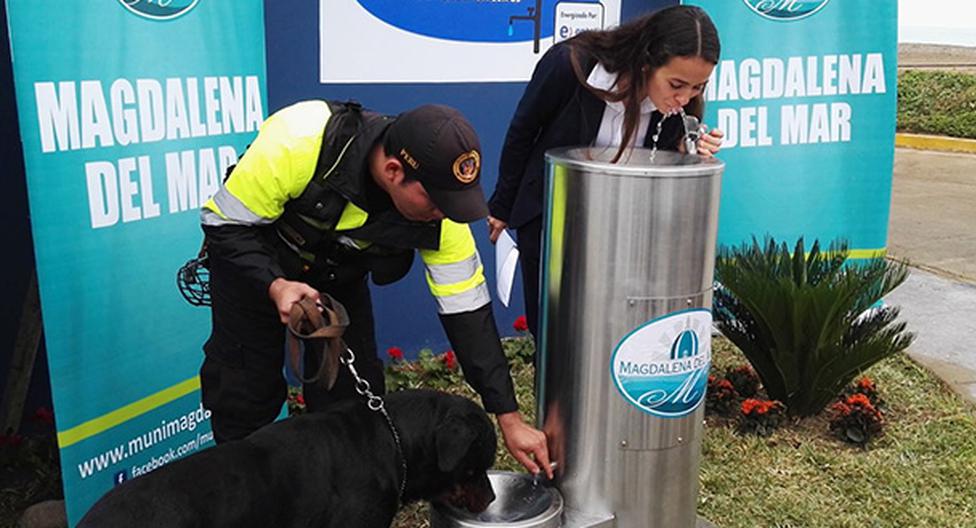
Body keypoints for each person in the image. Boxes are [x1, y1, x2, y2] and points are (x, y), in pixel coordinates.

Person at [198, 100, 552, 477]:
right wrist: (276, 284)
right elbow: (223, 223)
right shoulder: (299, 139)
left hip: (336, 278)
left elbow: (470, 317)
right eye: (436, 201)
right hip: (255, 260)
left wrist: (508, 417)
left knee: (353, 408)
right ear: (393, 171)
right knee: (246, 399)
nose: (444, 213)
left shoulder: (443, 219)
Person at [487, 5, 724, 347]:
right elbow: (523, 131)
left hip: (626, 229)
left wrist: (693, 151)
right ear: (647, 60)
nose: (684, 98)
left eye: (698, 87)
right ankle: (555, 401)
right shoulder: (571, 65)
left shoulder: (681, 104)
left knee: (617, 336)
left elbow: (672, 153)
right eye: (676, 84)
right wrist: (502, 206)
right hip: (553, 219)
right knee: (556, 335)